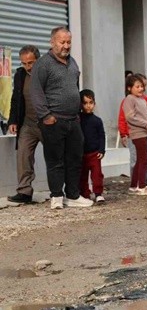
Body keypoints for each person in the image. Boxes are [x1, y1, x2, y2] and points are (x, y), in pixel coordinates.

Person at [31, 26, 93, 209]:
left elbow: (74, 86)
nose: (66, 46)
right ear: (52, 42)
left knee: (75, 158)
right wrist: (46, 116)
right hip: (53, 120)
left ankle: (73, 195)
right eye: (62, 42)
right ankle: (57, 196)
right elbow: (36, 92)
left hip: (73, 120)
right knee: (55, 160)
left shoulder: (73, 62)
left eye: (69, 42)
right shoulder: (43, 64)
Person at [7, 45, 42, 204]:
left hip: (46, 123)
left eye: (31, 63)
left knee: (55, 157)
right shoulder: (20, 75)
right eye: (24, 63)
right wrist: (13, 120)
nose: (28, 66)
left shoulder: (46, 73)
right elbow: (16, 98)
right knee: (23, 156)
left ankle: (60, 191)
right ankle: (24, 191)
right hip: (27, 123)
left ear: (38, 60)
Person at [118, 74, 147, 191]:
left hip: (146, 133)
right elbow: (130, 117)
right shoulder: (129, 100)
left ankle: (134, 185)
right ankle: (141, 186)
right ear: (129, 88)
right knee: (143, 159)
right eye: (137, 86)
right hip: (137, 133)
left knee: (142, 159)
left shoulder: (143, 100)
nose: (141, 89)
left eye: (142, 86)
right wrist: (146, 124)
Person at [79, 89, 106, 202]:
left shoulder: (97, 121)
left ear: (94, 103)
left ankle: (98, 193)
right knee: (82, 175)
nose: (88, 106)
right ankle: (85, 194)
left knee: (97, 175)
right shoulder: (77, 119)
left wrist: (101, 150)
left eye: (90, 103)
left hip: (95, 153)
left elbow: (102, 136)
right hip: (81, 153)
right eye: (85, 103)